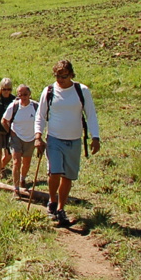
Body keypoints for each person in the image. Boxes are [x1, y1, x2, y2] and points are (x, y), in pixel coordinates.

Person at [34, 59, 100, 227]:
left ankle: (61, 209)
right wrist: (38, 136)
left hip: (74, 140)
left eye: (63, 76)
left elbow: (91, 115)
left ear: (71, 75)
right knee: (54, 172)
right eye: (57, 76)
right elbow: (40, 115)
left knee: (68, 176)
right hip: (54, 138)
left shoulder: (81, 91)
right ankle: (52, 202)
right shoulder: (49, 91)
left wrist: (95, 137)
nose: (60, 80)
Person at [3, 84, 39, 196]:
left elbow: (42, 120)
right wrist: (11, 132)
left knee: (27, 162)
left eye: (25, 94)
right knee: (16, 162)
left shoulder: (36, 106)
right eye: (21, 95)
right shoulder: (13, 106)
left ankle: (23, 178)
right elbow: (4, 120)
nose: (23, 97)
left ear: (29, 94)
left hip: (31, 138)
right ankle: (16, 188)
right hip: (16, 137)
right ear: (17, 95)